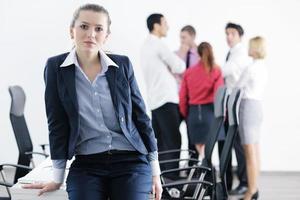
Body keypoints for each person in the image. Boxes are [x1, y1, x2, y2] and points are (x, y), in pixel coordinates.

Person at [23, 4, 162, 200]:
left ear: (107, 35)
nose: (91, 34)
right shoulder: (55, 67)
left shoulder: (122, 65)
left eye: (99, 29)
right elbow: (57, 123)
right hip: (87, 163)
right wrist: (57, 176)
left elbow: (141, 118)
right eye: (84, 26)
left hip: (131, 161)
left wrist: (156, 172)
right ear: (72, 30)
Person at [140, 13, 185, 174]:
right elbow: (179, 66)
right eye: (165, 23)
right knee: (173, 140)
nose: (168, 26)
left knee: (161, 142)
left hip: (154, 101)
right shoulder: (158, 44)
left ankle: (163, 178)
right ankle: (172, 180)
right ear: (156, 26)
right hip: (166, 99)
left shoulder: (145, 46)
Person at [179, 42, 224, 161]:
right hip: (210, 113)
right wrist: (222, 115)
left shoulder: (189, 72)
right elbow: (218, 95)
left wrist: (185, 114)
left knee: (200, 148)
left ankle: (207, 170)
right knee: (208, 148)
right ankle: (209, 172)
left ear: (198, 53)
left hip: (194, 113)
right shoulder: (216, 71)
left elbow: (182, 97)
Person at [236, 36, 268, 200]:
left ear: (255, 49)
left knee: (249, 153)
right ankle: (255, 188)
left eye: (250, 46)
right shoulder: (263, 67)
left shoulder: (251, 68)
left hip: (248, 107)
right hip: (258, 107)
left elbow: (237, 86)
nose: (247, 49)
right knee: (255, 150)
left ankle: (251, 191)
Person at [221, 22, 250, 194]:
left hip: (238, 105)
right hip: (230, 104)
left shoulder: (240, 53)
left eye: (232, 33)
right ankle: (238, 182)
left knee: (239, 145)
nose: (228, 37)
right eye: (226, 33)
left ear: (240, 35)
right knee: (233, 144)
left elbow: (224, 72)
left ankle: (245, 183)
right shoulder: (231, 52)